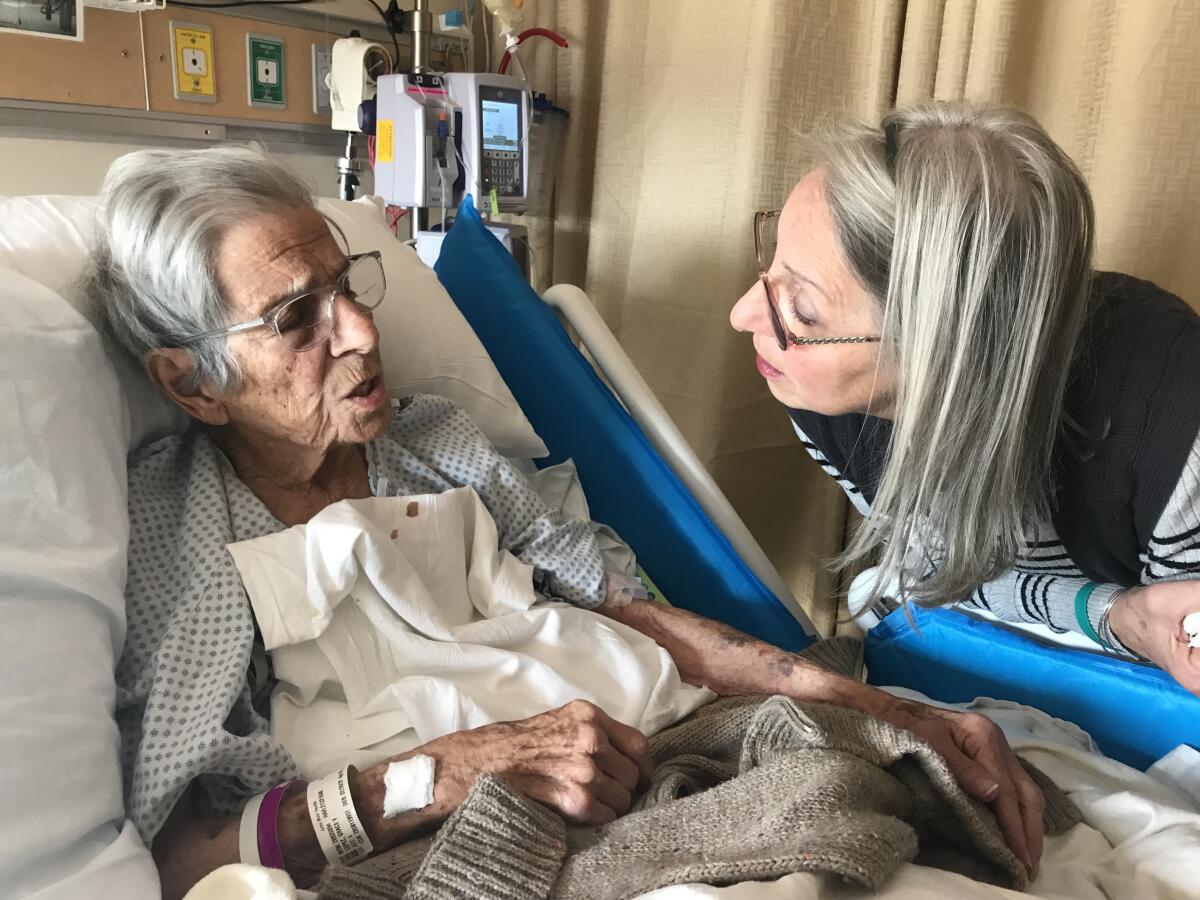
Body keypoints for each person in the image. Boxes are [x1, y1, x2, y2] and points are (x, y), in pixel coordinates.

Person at [90, 145, 1043, 900]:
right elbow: (181, 859)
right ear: (191, 383)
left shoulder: (437, 441)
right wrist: (434, 777)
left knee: (889, 781)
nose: (363, 332)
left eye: (349, 286)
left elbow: (621, 606)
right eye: (300, 318)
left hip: (654, 741)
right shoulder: (187, 533)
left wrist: (893, 710)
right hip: (470, 837)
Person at [731, 102, 1200, 705]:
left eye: (804, 309)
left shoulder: (1172, 426)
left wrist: (1128, 622)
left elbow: (1177, 669)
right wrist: (1110, 615)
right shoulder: (816, 388)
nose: (744, 315)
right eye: (772, 265)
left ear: (949, 353)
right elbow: (934, 578)